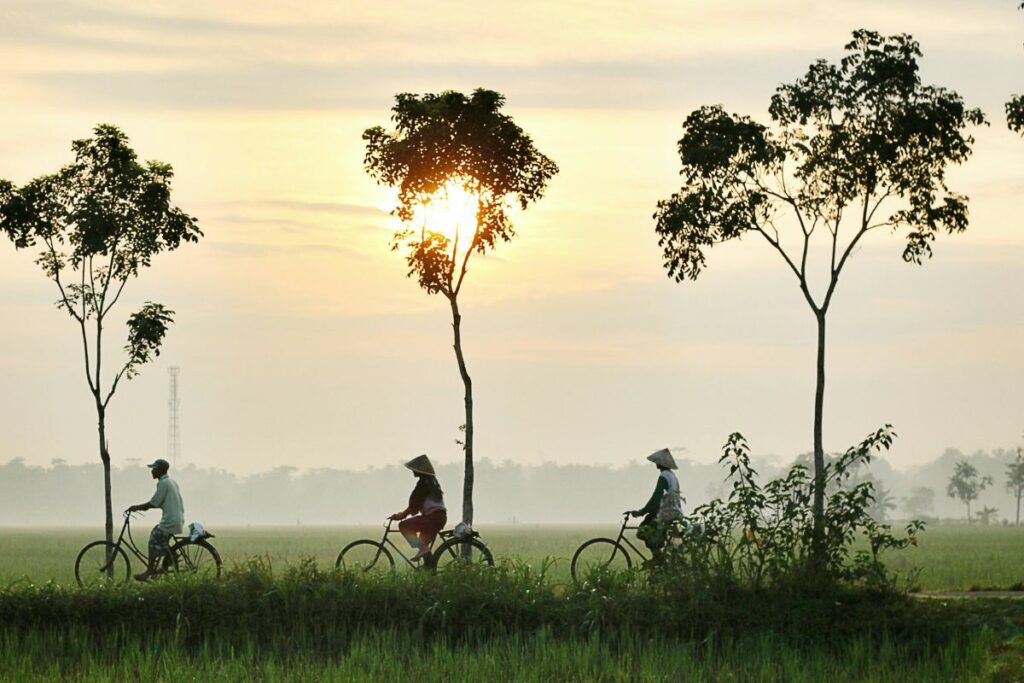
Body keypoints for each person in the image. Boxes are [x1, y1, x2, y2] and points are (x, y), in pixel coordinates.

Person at [126, 458, 184, 581]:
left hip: (170, 521)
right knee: (158, 535)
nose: (152, 471)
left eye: (154, 469)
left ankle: (150, 570)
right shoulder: (171, 482)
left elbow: (154, 503)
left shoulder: (163, 483)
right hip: (176, 519)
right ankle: (170, 555)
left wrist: (135, 507)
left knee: (153, 540)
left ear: (161, 471)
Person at [389, 454, 447, 561]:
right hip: (438, 518)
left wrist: (401, 516)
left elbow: (414, 505)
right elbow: (415, 505)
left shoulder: (423, 484)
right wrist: (403, 514)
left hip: (432, 518)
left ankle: (424, 549)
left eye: (415, 469)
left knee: (404, 526)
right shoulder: (432, 482)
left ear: (420, 471)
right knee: (423, 547)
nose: (413, 471)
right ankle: (429, 567)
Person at [628, 448, 683, 556]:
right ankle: (660, 557)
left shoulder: (663, 477)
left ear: (661, 463)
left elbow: (656, 497)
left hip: (666, 513)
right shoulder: (672, 476)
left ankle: (657, 556)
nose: (656, 464)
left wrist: (642, 511)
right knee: (652, 525)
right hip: (674, 510)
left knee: (644, 530)